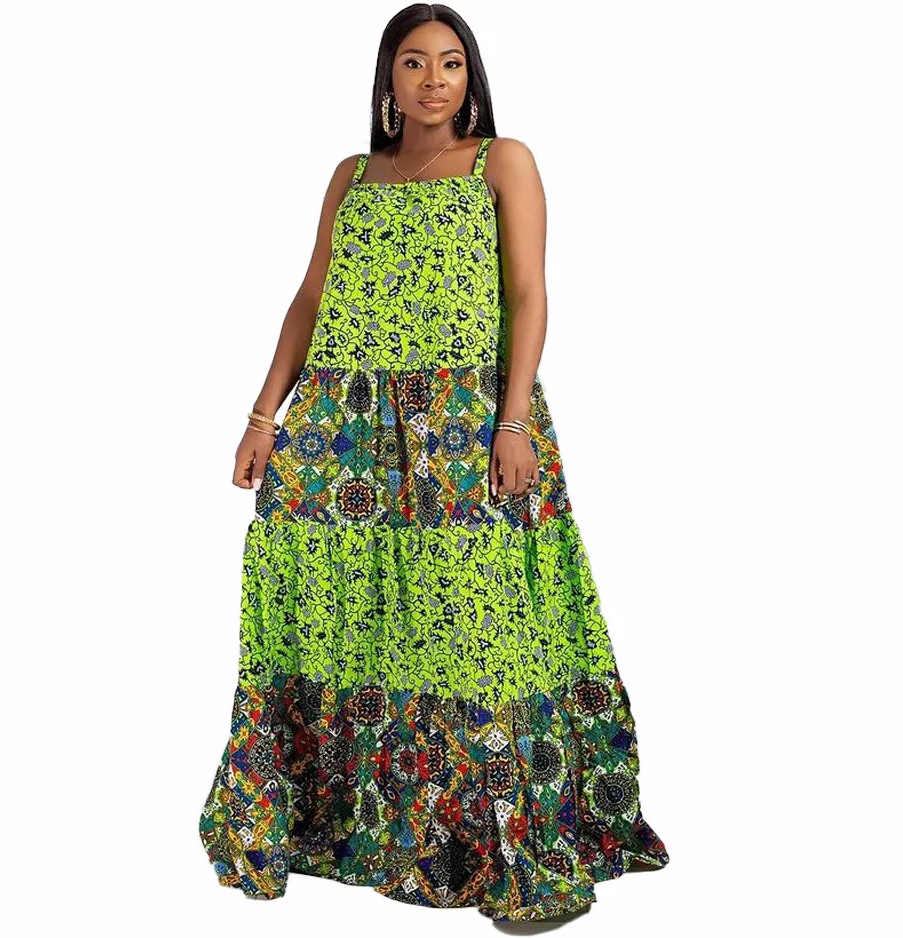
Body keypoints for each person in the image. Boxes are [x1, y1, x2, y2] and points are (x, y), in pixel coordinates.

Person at [198, 3, 669, 923]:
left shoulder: (503, 162)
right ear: (389, 77)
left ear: (471, 76)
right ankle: (345, 822)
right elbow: (310, 298)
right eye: (413, 63)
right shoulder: (351, 175)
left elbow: (528, 294)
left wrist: (512, 420)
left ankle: (508, 843)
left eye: (451, 63)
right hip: (340, 430)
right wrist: (262, 415)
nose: (433, 80)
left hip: (463, 423)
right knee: (328, 611)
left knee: (480, 624)